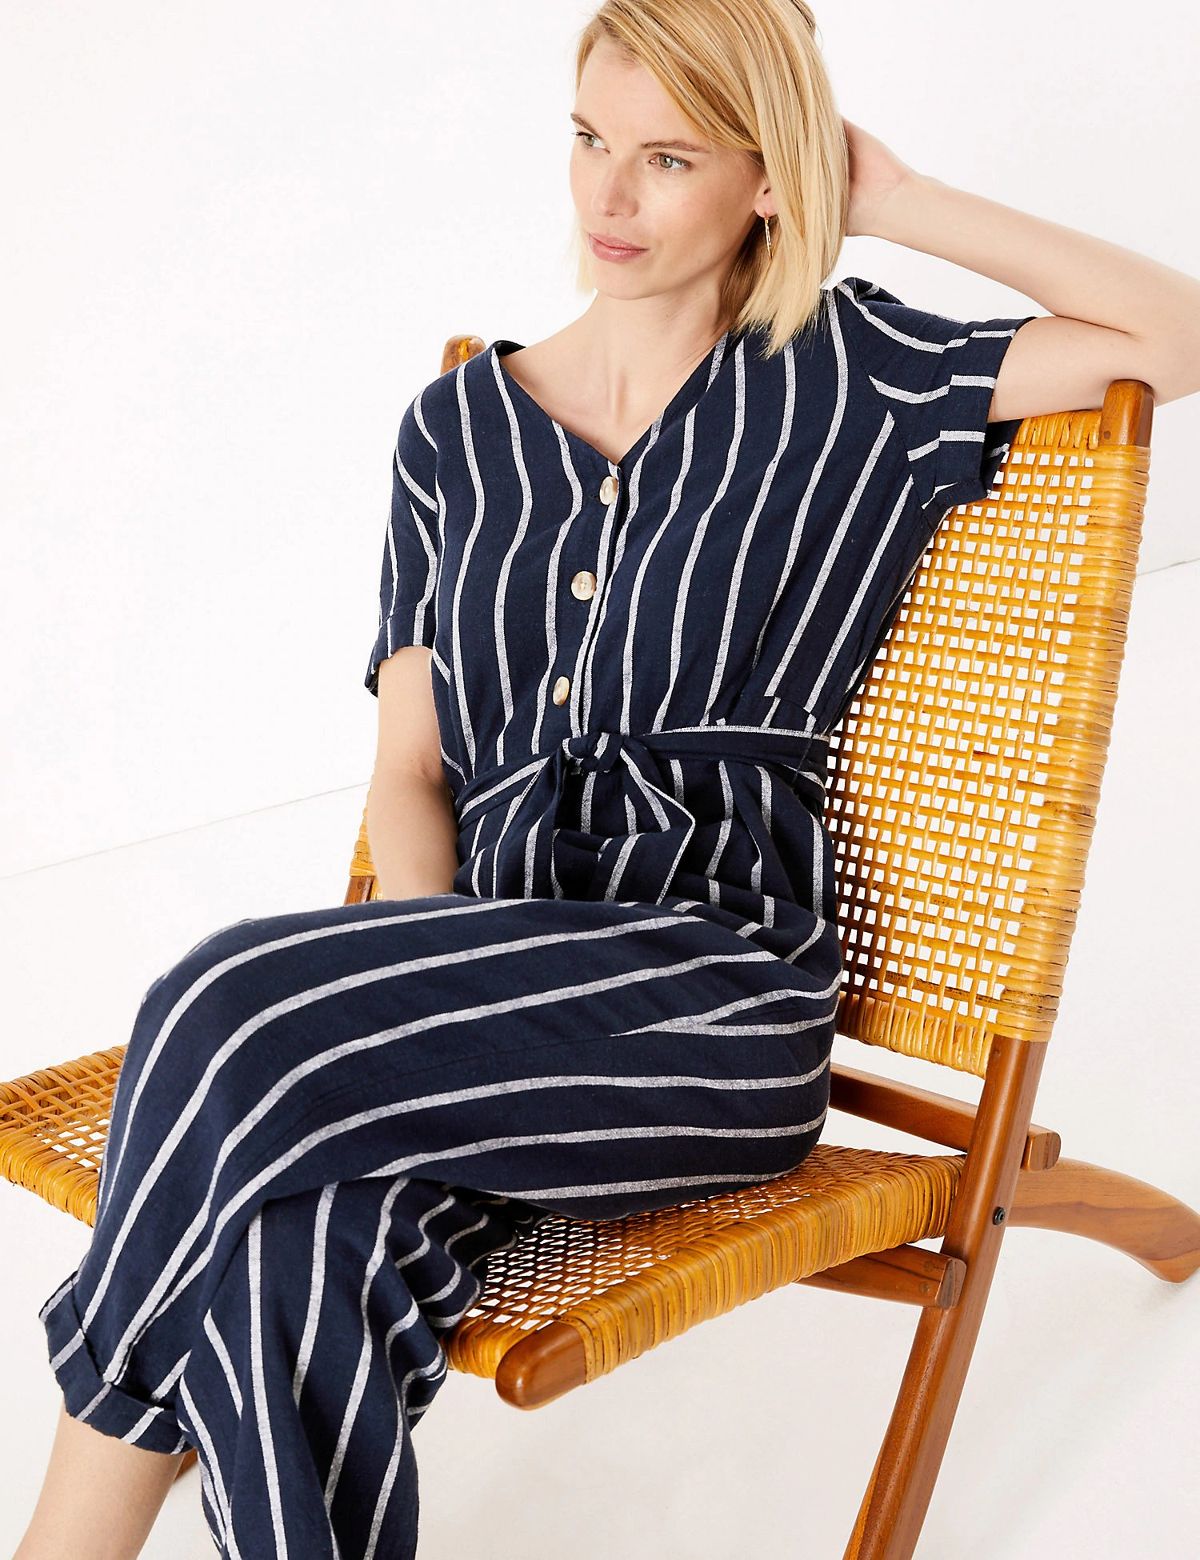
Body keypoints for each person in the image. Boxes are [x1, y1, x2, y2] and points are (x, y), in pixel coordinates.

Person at [18, 1, 1200, 1556]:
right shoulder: (455, 433)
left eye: (669, 158)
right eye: (588, 140)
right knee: (295, 1246)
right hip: (483, 992)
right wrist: (425, 986)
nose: (609, 196)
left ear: (768, 179)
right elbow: (410, 773)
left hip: (712, 1001)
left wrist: (893, 196)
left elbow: (1174, 337)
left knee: (219, 1005)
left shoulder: (850, 374)